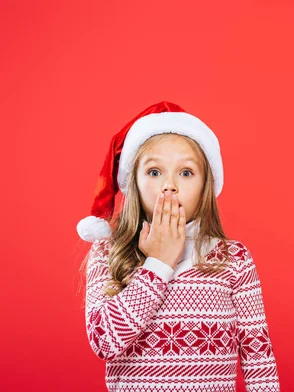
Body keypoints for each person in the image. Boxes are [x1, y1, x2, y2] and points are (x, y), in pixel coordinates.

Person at [78, 101, 279, 391]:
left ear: (205, 185)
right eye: (154, 172)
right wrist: (158, 264)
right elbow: (104, 342)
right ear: (133, 182)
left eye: (186, 173)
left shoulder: (233, 259)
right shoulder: (107, 252)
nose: (169, 185)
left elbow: (259, 361)